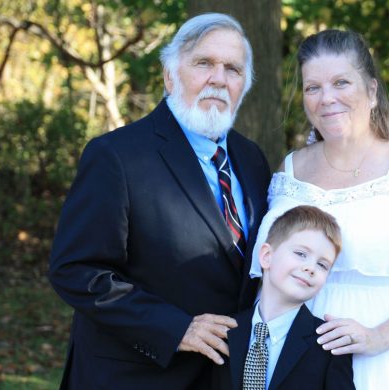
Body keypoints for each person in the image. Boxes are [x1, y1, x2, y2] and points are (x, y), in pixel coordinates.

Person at [48, 13, 271, 389]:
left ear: (243, 86)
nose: (218, 78)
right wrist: (175, 328)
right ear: (170, 76)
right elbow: (75, 270)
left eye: (233, 69)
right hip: (132, 375)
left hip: (221, 378)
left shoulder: (252, 160)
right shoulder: (117, 155)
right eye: (204, 63)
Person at [250, 30, 389, 389]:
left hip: (385, 358)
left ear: (371, 90)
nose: (327, 98)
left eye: (341, 82)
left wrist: (376, 338)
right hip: (295, 357)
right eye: (313, 87)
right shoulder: (289, 170)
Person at [215, 205, 355, 390]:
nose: (310, 267)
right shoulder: (225, 331)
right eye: (301, 254)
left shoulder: (328, 345)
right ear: (266, 256)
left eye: (322, 265)